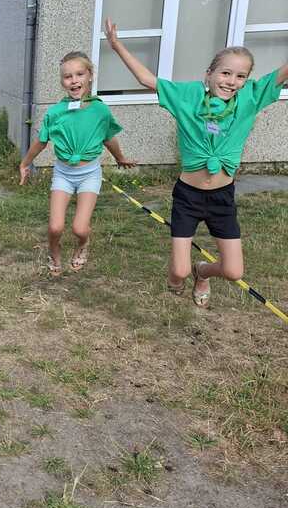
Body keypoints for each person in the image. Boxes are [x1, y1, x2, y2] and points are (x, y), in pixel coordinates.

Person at [104, 17, 288, 307]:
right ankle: (181, 275)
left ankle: (202, 271)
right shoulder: (187, 97)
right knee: (178, 271)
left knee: (234, 271)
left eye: (240, 76)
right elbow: (147, 80)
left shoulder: (251, 99)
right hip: (188, 196)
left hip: (222, 197)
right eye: (225, 73)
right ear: (209, 74)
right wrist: (116, 45)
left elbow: (281, 74)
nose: (232, 81)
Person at [18, 51, 136, 276]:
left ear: (90, 76)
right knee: (55, 227)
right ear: (62, 82)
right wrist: (25, 164)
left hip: (89, 174)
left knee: (80, 228)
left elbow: (108, 137)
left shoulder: (100, 110)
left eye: (79, 74)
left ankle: (83, 244)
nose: (74, 80)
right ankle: (54, 251)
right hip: (63, 173)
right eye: (67, 76)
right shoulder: (55, 112)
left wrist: (119, 157)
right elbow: (41, 142)